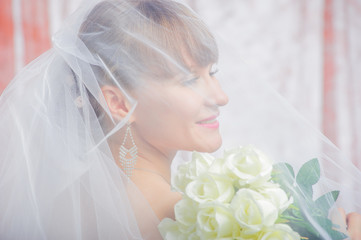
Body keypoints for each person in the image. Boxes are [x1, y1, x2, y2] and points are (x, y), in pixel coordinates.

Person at [0, 0, 360, 239]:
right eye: (189, 79)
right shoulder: (196, 219)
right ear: (119, 103)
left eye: (212, 72)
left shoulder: (58, 202)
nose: (221, 96)